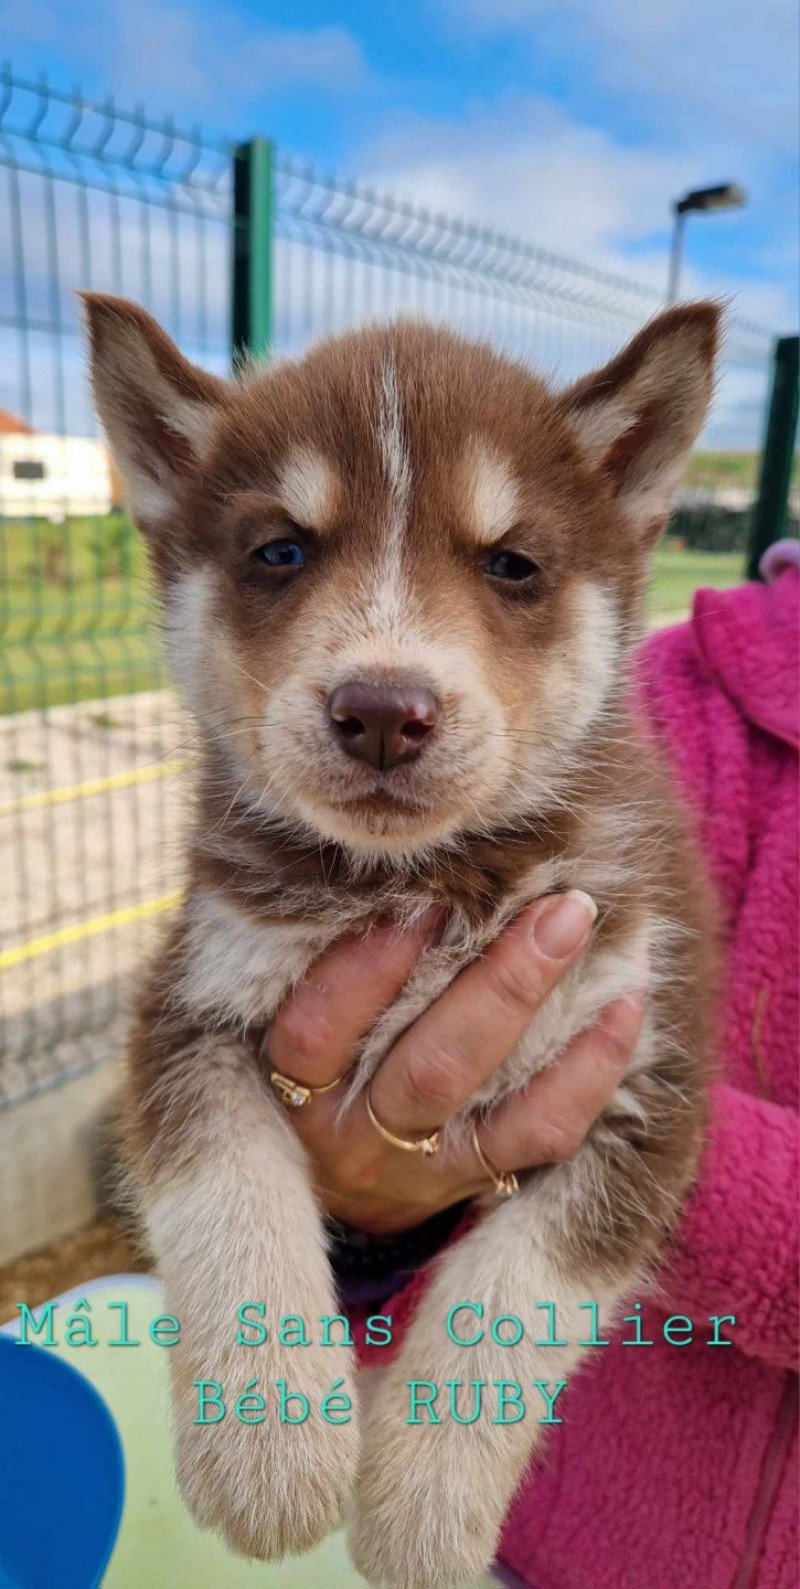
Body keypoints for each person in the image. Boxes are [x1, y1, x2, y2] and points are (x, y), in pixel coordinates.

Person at [263, 549, 799, 1589]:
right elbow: (351, 1084)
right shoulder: (639, 697)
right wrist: (365, 1217)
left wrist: (613, 1129)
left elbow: (533, 1107)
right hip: (535, 1541)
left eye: (513, 567)